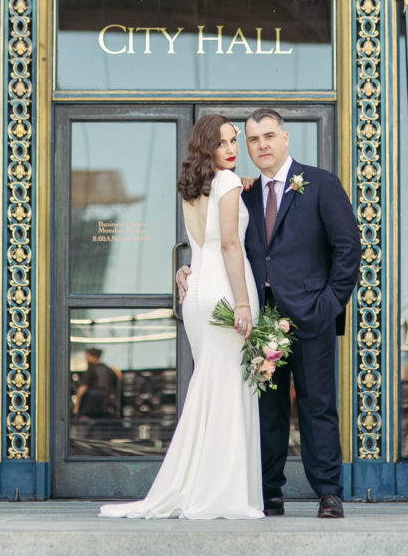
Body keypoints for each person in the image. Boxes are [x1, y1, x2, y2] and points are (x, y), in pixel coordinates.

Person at [178, 107, 361, 520]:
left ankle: (328, 493)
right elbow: (218, 240)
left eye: (268, 136)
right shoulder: (241, 191)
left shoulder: (321, 184)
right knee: (267, 410)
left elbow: (348, 249)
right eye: (252, 139)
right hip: (261, 322)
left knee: (318, 406)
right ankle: (269, 493)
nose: (260, 145)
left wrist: (330, 304)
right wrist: (189, 266)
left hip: (312, 317)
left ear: (285, 138)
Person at [99, 114, 262, 520]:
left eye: (233, 141)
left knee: (212, 386)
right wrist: (243, 304)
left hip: (197, 294)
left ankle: (200, 484)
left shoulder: (194, 187)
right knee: (227, 390)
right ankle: (222, 491)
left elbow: (199, 244)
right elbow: (227, 245)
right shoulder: (224, 183)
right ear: (207, 147)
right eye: (223, 143)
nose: (231, 149)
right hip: (225, 291)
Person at [74, 348, 119, 418]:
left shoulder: (91, 369)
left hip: (90, 409)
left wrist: (76, 407)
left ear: (93, 357)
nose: (86, 359)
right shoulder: (109, 370)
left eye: (87, 357)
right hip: (106, 409)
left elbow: (82, 389)